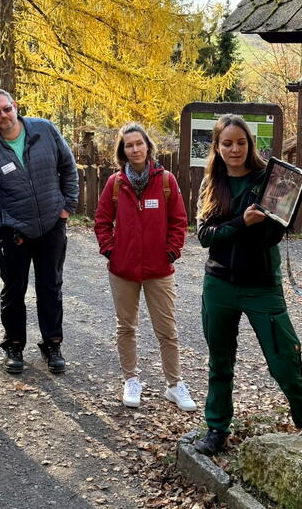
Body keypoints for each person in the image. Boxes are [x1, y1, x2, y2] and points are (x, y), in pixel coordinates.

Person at [193, 114, 302, 456]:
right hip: (219, 285)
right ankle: (217, 427)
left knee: (285, 362)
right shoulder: (211, 183)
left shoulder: (272, 180)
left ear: (250, 144)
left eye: (241, 142)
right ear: (217, 147)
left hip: (262, 286)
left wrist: (283, 210)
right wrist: (241, 222)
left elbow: (272, 236)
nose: (235, 149)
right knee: (220, 362)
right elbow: (204, 236)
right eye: (227, 143)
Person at [0, 88, 78, 375]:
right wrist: (0, 224)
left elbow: (68, 167)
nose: (3, 115)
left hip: (52, 226)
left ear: (15, 106)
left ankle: (52, 344)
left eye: (6, 108)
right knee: (13, 290)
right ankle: (14, 345)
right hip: (14, 233)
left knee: (50, 287)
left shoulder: (44, 129)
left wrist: (67, 207)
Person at [94, 123, 195, 411]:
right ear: (122, 151)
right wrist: (111, 250)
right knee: (126, 327)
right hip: (122, 270)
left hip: (159, 270)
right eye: (129, 145)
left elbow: (179, 221)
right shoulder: (115, 184)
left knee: (167, 330)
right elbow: (101, 221)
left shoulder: (165, 181)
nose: (135, 149)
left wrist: (172, 252)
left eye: (139, 143)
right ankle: (131, 380)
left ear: (148, 147)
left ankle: (174, 385)